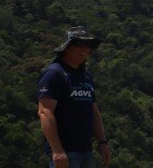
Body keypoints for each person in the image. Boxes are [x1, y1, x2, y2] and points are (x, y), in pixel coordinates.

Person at [37, 27, 111, 168]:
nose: (84, 50)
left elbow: (93, 110)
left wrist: (102, 142)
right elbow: (45, 112)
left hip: (86, 151)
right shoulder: (54, 73)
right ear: (67, 47)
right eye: (79, 45)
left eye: (88, 46)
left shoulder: (85, 76)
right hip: (65, 152)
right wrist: (57, 150)